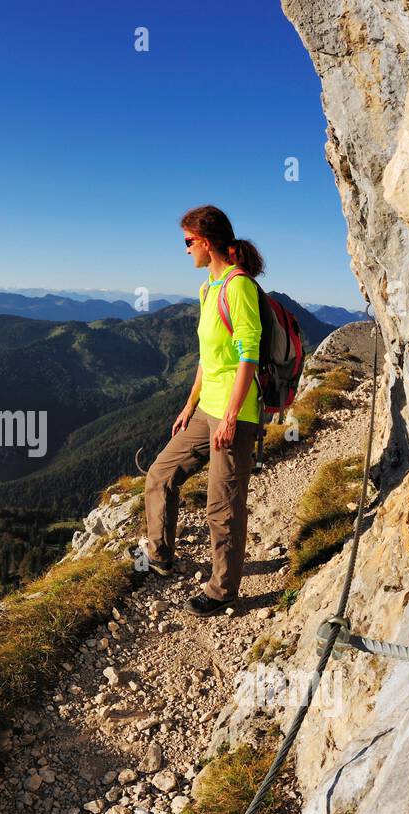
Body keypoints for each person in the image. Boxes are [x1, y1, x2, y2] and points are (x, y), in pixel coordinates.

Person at [138, 205, 265, 616]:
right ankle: (159, 556)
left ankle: (223, 589)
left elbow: (248, 355)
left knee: (222, 505)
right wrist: (189, 404)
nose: (185, 249)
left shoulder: (238, 286)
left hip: (235, 413)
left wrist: (229, 417)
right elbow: (207, 357)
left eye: (187, 241)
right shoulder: (209, 289)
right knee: (160, 473)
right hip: (205, 408)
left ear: (205, 242)